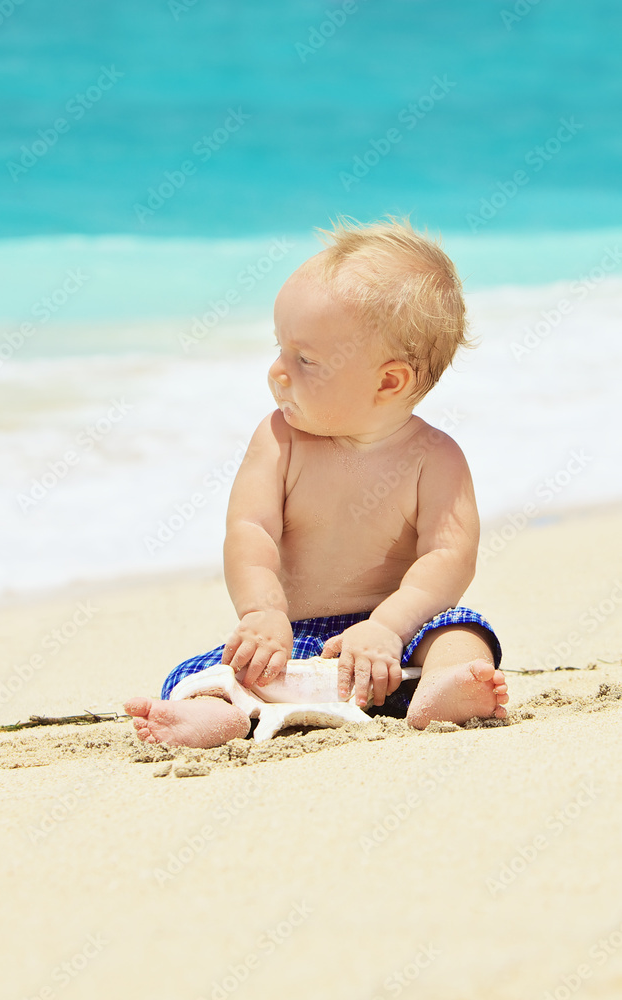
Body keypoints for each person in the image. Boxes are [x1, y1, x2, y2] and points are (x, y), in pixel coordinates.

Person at [125, 217, 508, 748]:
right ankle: (220, 716)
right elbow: (250, 529)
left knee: (461, 632)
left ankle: (442, 691)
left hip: (392, 650)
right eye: (279, 347)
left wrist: (386, 626)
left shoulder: (435, 458)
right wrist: (263, 614)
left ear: (388, 381)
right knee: (211, 670)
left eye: (304, 360)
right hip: (291, 641)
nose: (277, 371)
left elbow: (448, 557)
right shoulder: (278, 440)